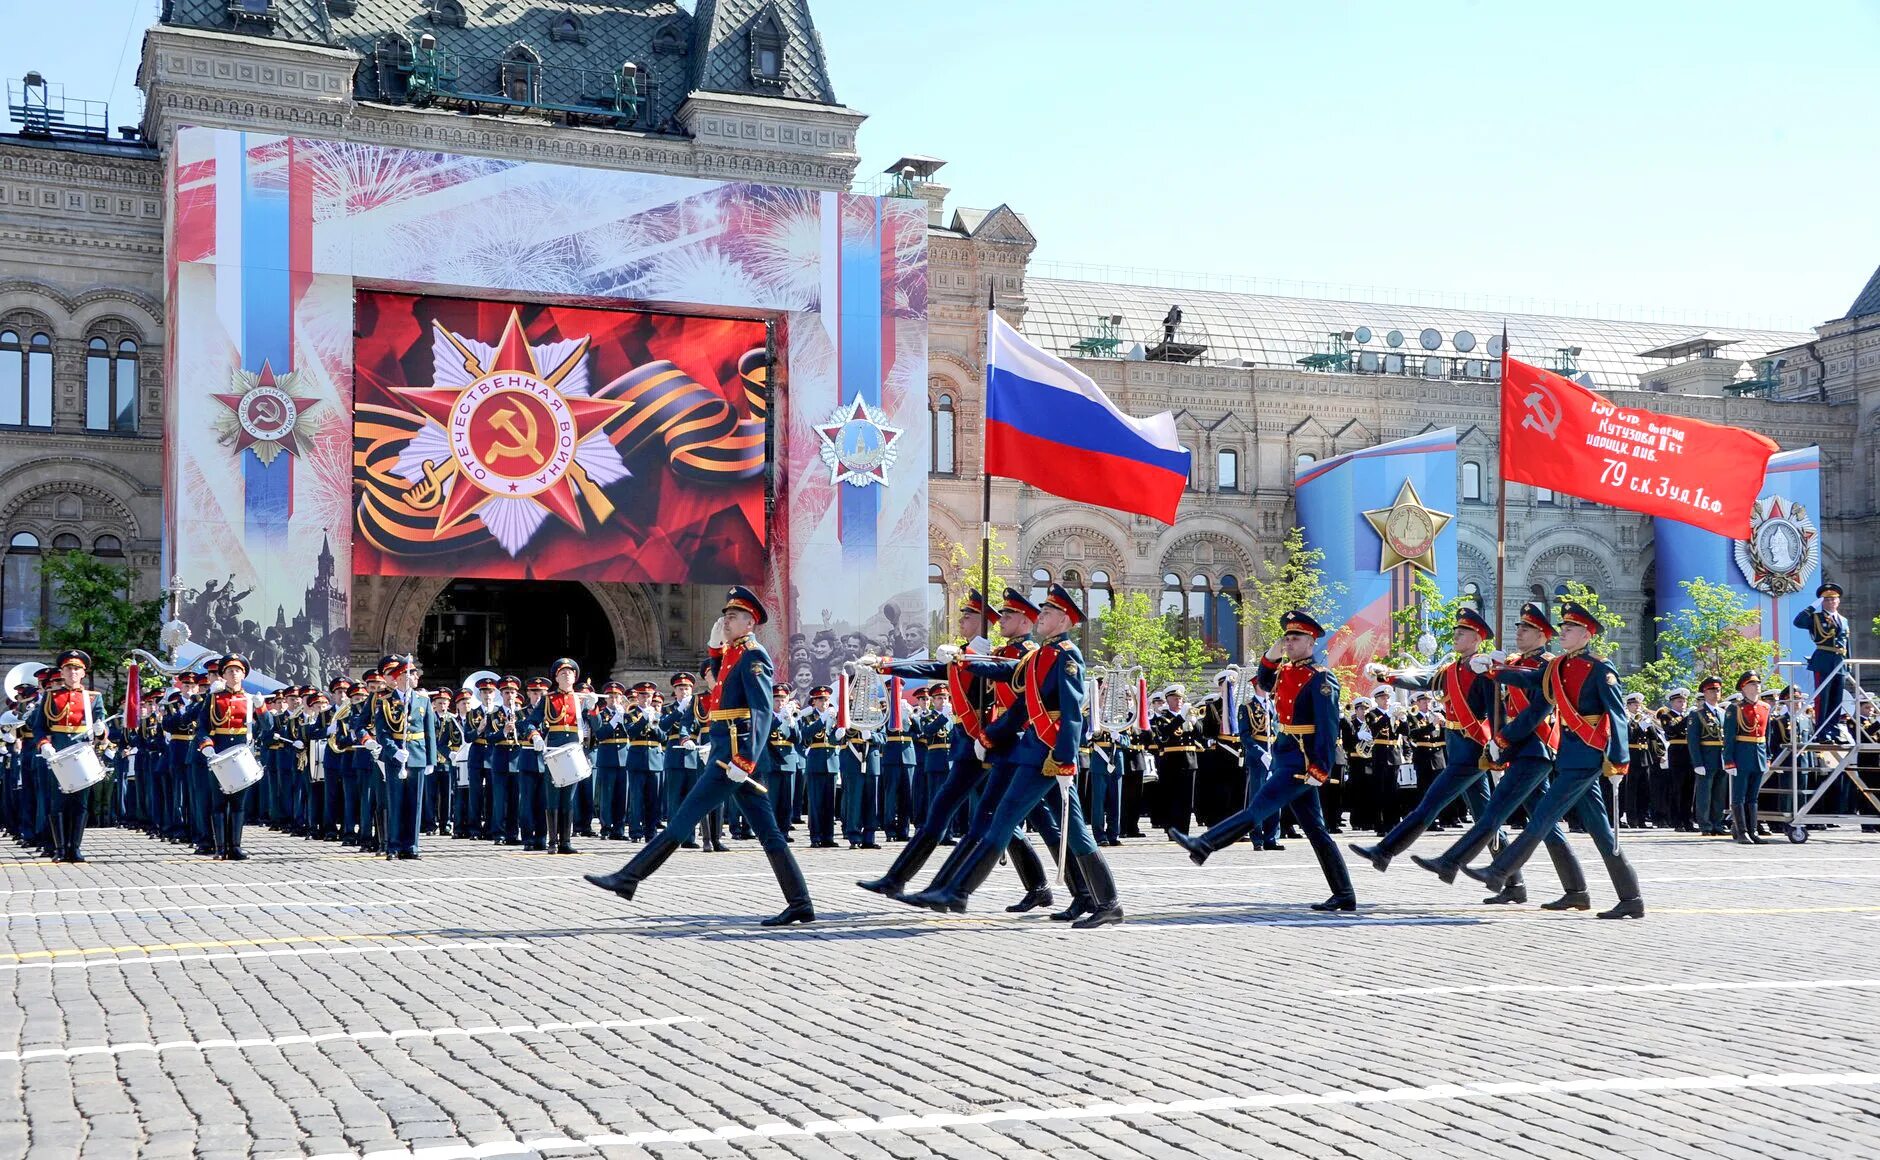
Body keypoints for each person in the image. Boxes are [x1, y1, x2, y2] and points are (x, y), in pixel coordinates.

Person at [586, 586, 815, 927]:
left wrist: (745, 760)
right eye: (725, 614)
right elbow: (717, 675)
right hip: (727, 754)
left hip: (733, 759)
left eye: (734, 616)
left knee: (682, 818)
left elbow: (762, 711)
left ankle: (628, 877)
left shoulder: (754, 655)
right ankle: (800, 903)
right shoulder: (734, 653)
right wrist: (713, 645)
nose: (726, 619)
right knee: (769, 834)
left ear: (750, 623)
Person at [901, 584, 1122, 928]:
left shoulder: (1066, 655)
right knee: (1073, 830)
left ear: (1064, 619)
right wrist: (964, 660)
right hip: (1033, 749)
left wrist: (1064, 759)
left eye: (1047, 613)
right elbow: (1011, 678)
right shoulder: (1040, 655)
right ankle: (1105, 901)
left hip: (1048, 753)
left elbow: (1072, 712)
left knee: (1004, 819)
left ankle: (956, 891)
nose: (1041, 617)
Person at [860, 589, 1054, 910]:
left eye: (968, 617)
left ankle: (950, 890)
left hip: (997, 744)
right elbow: (927, 669)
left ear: (983, 622)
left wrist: (974, 659)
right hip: (970, 746)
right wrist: (885, 664)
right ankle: (902, 880)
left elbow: (1007, 685)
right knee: (965, 815)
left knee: (999, 822)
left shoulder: (1001, 654)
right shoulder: (964, 655)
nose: (961, 621)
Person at [1460, 602, 1644, 920]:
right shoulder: (1558, 665)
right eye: (1563, 628)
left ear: (1586, 634)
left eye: (1570, 628)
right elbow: (1531, 680)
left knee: (1542, 818)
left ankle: (1498, 871)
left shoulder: (1601, 667)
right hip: (1570, 753)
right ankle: (1616, 896)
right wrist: (1494, 671)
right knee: (1601, 831)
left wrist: (1619, 759)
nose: (1563, 632)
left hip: (1588, 754)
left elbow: (1616, 717)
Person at [1167, 610, 1356, 912]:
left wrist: (1320, 766)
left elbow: (1328, 725)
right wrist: (1272, 652)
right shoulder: (1286, 671)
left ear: (1312, 642)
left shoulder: (1321, 678)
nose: (1289, 642)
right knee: (1316, 831)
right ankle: (1344, 893)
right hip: (1286, 754)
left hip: (1302, 761)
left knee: (1258, 807)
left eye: (1296, 637)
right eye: (1287, 637)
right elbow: (1265, 679)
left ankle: (1204, 845)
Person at [1408, 602, 1589, 908]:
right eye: (1518, 627)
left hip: (1536, 746)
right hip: (1516, 749)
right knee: (1544, 824)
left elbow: (1536, 712)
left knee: (1497, 812)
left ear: (1543, 635)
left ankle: (1458, 864)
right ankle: (1566, 889)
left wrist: (1502, 737)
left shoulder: (1547, 664)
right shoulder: (1513, 662)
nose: (1518, 632)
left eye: (1526, 628)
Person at [1350, 608, 1502, 874]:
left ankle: (1385, 851)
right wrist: (1388, 675)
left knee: (1430, 803)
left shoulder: (1483, 668)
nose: (1456, 636)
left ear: (1477, 638)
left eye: (1462, 633)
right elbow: (1422, 678)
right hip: (1456, 743)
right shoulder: (1451, 669)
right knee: (1484, 815)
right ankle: (1511, 879)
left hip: (1472, 747)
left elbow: (1494, 709)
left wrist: (1498, 742)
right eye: (1455, 632)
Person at [27, 649, 105, 863]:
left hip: (82, 751)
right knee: (58, 801)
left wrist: (100, 730)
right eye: (69, 668)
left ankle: (75, 848)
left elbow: (102, 726)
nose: (73, 672)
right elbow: (40, 727)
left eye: (77, 669)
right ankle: (60, 849)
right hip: (58, 752)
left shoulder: (93, 697)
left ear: (83, 673)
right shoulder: (52, 696)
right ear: (62, 671)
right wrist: (44, 745)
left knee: (80, 802)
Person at [372, 654, 437, 860]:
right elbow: (382, 733)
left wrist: (431, 760)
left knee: (414, 804)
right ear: (400, 677)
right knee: (396, 802)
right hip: (396, 759)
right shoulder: (385, 702)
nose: (415, 678)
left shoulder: (423, 701)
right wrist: (394, 751)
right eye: (411, 674)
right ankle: (393, 846)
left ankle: (412, 846)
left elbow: (430, 733)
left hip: (417, 756)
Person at [193, 655, 257, 860]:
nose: (233, 673)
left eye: (237, 670)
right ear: (223, 675)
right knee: (219, 802)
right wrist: (206, 746)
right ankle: (220, 848)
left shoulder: (249, 699)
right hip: (218, 752)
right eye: (229, 670)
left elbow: (268, 728)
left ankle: (235, 846)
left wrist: (263, 709)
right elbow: (202, 726)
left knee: (238, 803)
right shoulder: (214, 698)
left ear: (244, 674)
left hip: (240, 752)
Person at [1793, 582, 1850, 740]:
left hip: (1840, 662)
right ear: (1822, 602)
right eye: (1827, 599)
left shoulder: (1843, 620)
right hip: (1824, 660)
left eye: (1834, 599)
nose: (1831, 602)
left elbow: (1846, 643)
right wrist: (1813, 606)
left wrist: (1849, 664)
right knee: (1823, 698)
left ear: (1838, 601)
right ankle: (1821, 731)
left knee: (1836, 699)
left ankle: (1834, 730)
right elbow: (1797, 622)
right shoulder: (1815, 618)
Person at [1725, 671, 1770, 845]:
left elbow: (1768, 734)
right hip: (1741, 754)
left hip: (1758, 754)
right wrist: (1728, 759)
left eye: (1758, 683)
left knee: (1753, 796)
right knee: (1739, 796)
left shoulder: (1765, 707)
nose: (1756, 686)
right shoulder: (1735, 708)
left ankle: (1752, 830)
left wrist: (1768, 756)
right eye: (1752, 684)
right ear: (1743, 688)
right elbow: (1729, 736)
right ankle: (1741, 831)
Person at [1688, 676, 1731, 836]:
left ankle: (1717, 823)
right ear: (1704, 692)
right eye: (1712, 690)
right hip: (1706, 757)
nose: (1715, 693)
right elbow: (1692, 740)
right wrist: (1697, 762)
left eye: (1718, 690)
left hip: (1721, 757)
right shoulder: (1697, 714)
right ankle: (1705, 825)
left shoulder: (1723, 713)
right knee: (1704, 794)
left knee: (1720, 793)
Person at [800, 685, 840, 847]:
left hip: (831, 760)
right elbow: (805, 735)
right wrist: (821, 721)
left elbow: (836, 740)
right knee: (816, 802)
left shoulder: (835, 716)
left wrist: (839, 732)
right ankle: (815, 836)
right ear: (814, 702)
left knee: (830, 801)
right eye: (821, 699)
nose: (824, 702)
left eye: (826, 699)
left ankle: (828, 836)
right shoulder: (808, 717)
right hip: (816, 761)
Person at [1622, 692, 1665, 829]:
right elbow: (1628, 736)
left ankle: (1641, 819)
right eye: (1634, 704)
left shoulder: (1642, 718)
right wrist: (1639, 726)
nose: (1637, 707)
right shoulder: (1625, 719)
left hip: (1645, 757)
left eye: (1639, 704)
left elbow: (1653, 737)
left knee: (1644, 790)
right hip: (1632, 755)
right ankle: (1632, 819)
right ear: (1628, 705)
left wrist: (1649, 724)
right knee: (1631, 790)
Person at [1657, 689, 1695, 831]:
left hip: (1690, 753)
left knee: (1689, 789)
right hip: (1677, 753)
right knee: (1677, 788)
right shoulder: (1667, 716)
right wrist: (1687, 719)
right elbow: (1672, 731)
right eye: (1679, 701)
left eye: (1684, 701)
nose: (1683, 703)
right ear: (1672, 702)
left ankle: (1688, 821)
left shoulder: (1689, 716)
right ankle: (1676, 821)